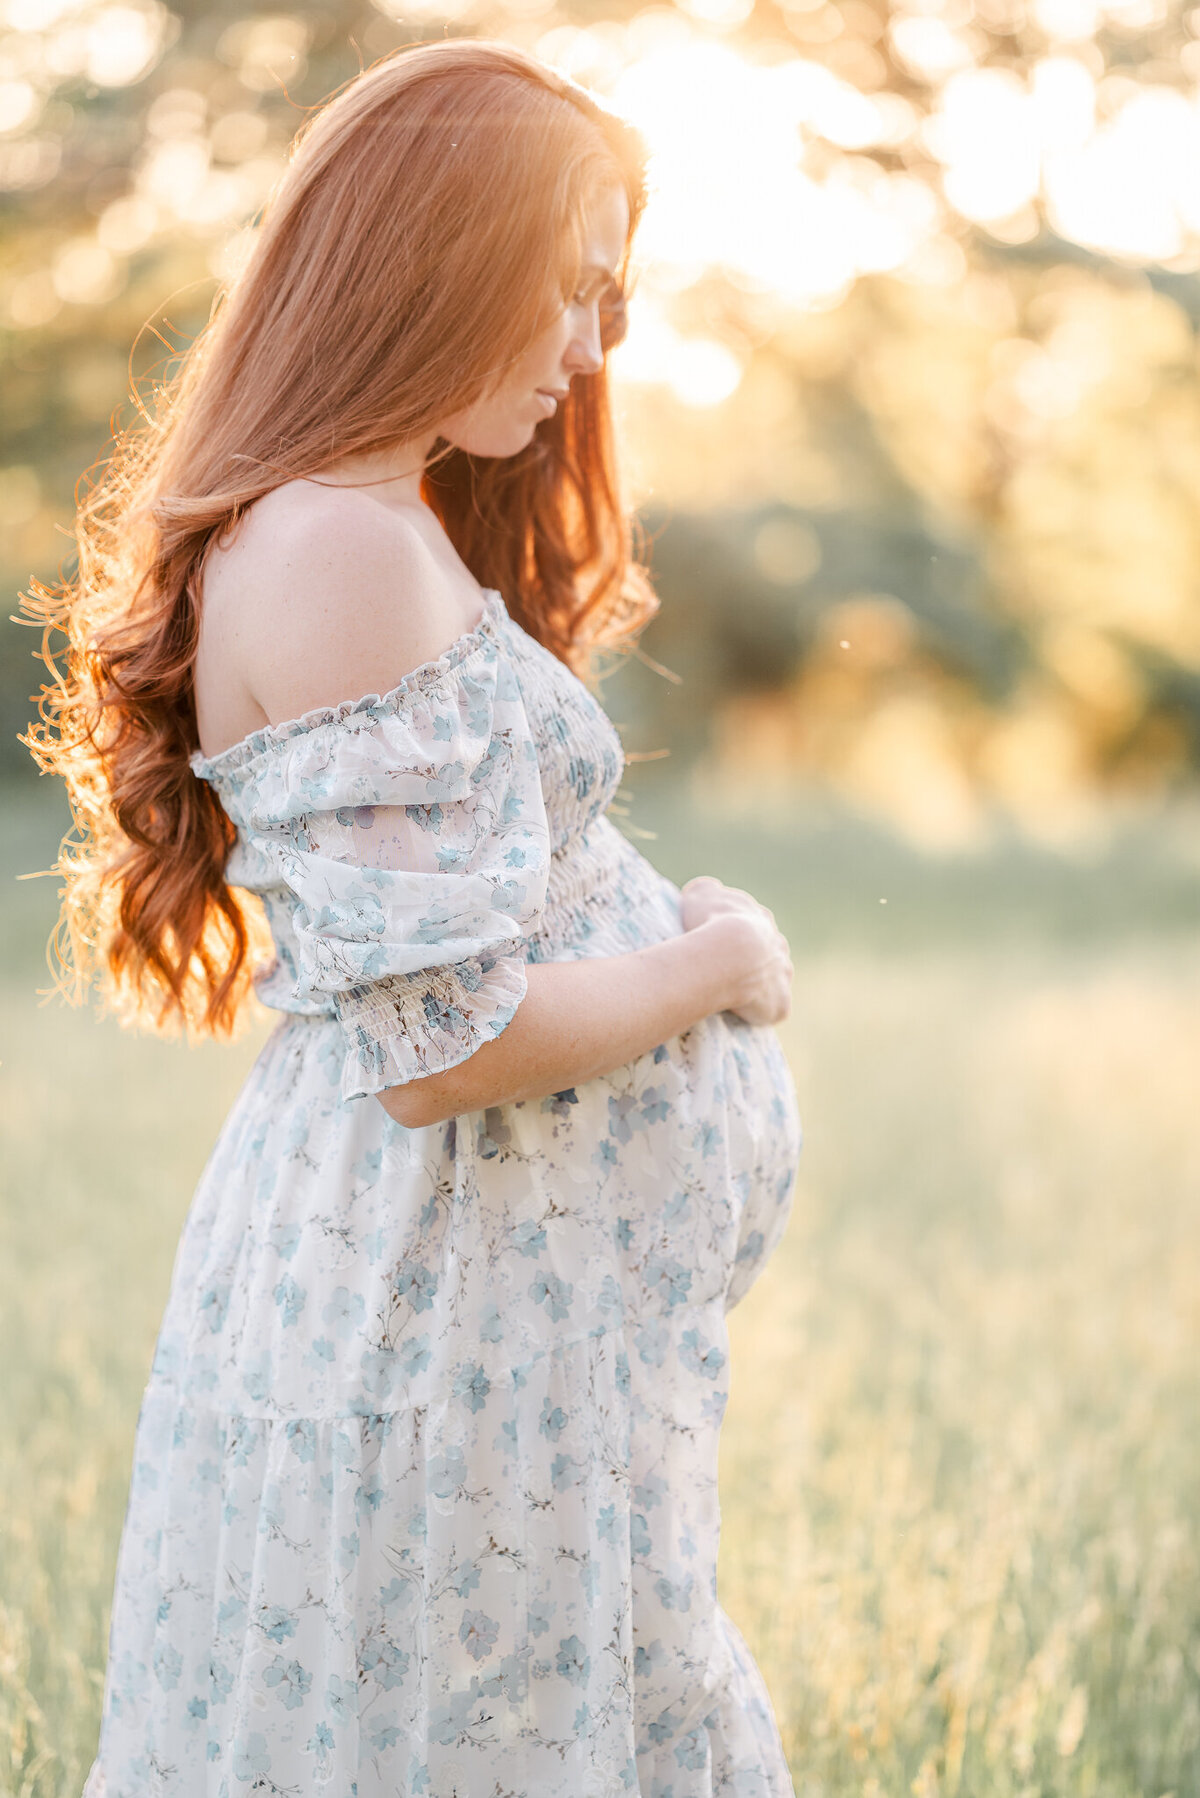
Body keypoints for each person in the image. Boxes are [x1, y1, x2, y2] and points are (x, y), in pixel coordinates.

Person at [29, 36, 802, 1797]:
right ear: (439, 254)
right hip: (434, 1316)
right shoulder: (339, 548)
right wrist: (713, 963)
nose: (594, 348)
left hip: (476, 1317)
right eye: (572, 290)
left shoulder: (373, 526)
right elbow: (443, 1051)